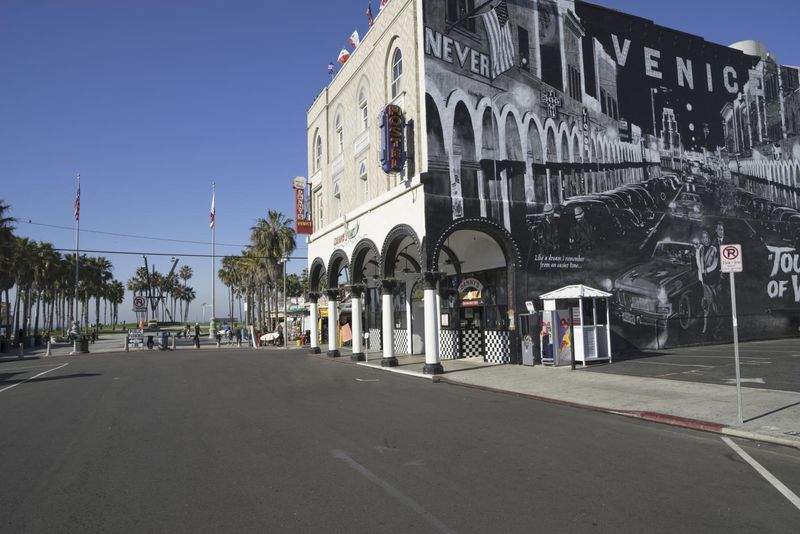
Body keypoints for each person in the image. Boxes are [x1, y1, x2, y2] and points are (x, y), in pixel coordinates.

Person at [696, 230, 720, 335]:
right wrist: (701, 275)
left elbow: (715, 264)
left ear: (710, 238)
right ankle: (707, 328)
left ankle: (714, 325)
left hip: (712, 280)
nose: (706, 239)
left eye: (707, 237)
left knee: (711, 304)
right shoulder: (700, 249)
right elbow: (698, 264)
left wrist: (707, 270)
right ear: (701, 239)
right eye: (703, 238)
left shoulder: (714, 249)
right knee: (706, 305)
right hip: (703, 281)